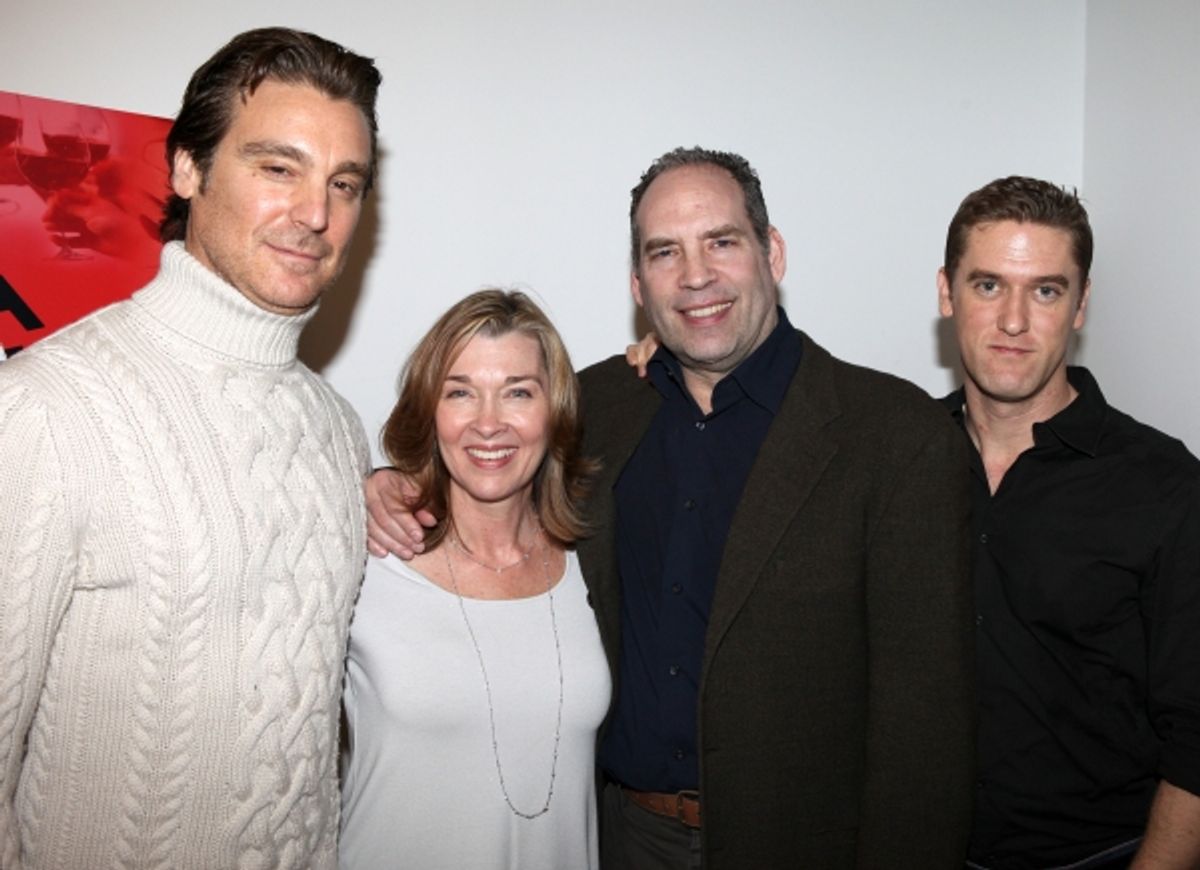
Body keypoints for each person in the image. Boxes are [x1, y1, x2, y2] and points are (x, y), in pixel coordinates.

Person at [367, 147, 976, 868]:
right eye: (665, 253)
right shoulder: (598, 408)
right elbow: (483, 450)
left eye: (721, 242)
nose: (695, 276)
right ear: (638, 282)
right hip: (621, 839)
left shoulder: (895, 435)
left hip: (805, 845)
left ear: (770, 251)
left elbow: (926, 731)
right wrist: (383, 484)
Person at [0, 27, 380, 869]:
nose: (315, 214)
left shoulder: (337, 428)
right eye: (277, 168)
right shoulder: (46, 408)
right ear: (187, 168)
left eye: (343, 182)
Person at [937, 176, 1200, 870]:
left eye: (1046, 290)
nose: (1014, 320)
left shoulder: (1162, 484)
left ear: (1080, 305)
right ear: (947, 293)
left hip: (1099, 855)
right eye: (988, 285)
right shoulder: (900, 456)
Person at [339, 289, 610, 869]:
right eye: (460, 392)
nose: (488, 424)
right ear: (429, 411)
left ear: (554, 410)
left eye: (518, 392)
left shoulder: (595, 562)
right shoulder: (365, 559)